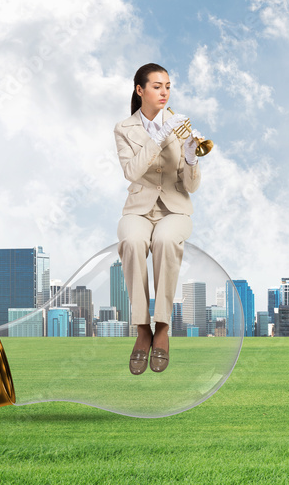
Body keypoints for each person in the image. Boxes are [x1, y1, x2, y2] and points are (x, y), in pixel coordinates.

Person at [114, 63, 202, 374]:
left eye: (167, 86)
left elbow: (190, 185)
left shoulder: (182, 126)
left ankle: (162, 326)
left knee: (165, 239)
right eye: (156, 86)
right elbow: (131, 171)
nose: (164, 92)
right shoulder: (124, 129)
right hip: (138, 208)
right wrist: (160, 136)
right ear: (140, 90)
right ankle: (142, 329)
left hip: (175, 209)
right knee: (132, 240)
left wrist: (191, 158)